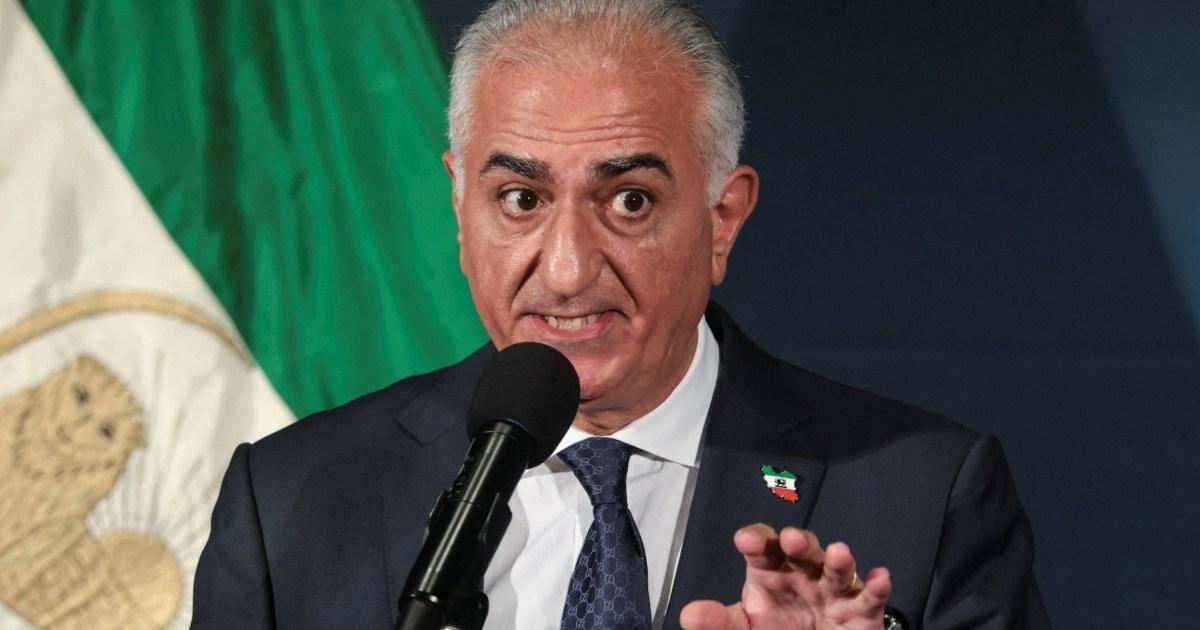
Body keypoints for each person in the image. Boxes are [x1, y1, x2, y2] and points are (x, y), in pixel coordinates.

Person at [193, 1, 1049, 628]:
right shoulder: (292, 500)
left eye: (630, 200)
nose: (567, 271)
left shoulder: (924, 496)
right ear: (459, 208)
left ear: (722, 218)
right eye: (520, 198)